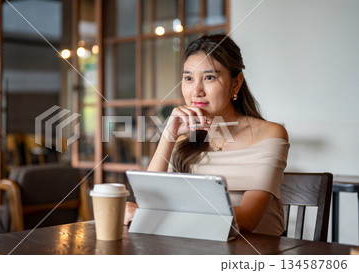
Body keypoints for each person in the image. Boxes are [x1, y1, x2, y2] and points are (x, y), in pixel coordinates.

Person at [124, 34, 289, 236]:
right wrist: (169, 135)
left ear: (236, 84)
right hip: (194, 244)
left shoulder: (270, 134)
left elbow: (246, 220)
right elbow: (147, 199)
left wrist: (155, 214)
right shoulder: (185, 137)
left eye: (209, 77)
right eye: (188, 78)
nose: (196, 91)